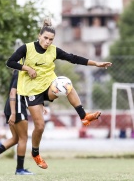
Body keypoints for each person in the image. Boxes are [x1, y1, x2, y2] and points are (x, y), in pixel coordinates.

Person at [6, 18, 112, 170]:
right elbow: (10, 62)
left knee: (65, 84)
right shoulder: (27, 48)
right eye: (46, 38)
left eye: (51, 39)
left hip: (48, 86)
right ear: (39, 36)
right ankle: (35, 153)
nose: (48, 42)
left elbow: (73, 58)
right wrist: (27, 69)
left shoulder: (54, 51)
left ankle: (84, 116)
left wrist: (96, 63)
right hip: (31, 91)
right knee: (40, 126)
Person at [0, 70, 47, 175]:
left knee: (15, 138)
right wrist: (13, 113)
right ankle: (20, 169)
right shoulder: (21, 71)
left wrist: (40, 105)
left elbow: (29, 92)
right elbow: (13, 92)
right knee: (23, 138)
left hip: (11, 106)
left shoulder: (25, 71)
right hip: (16, 107)